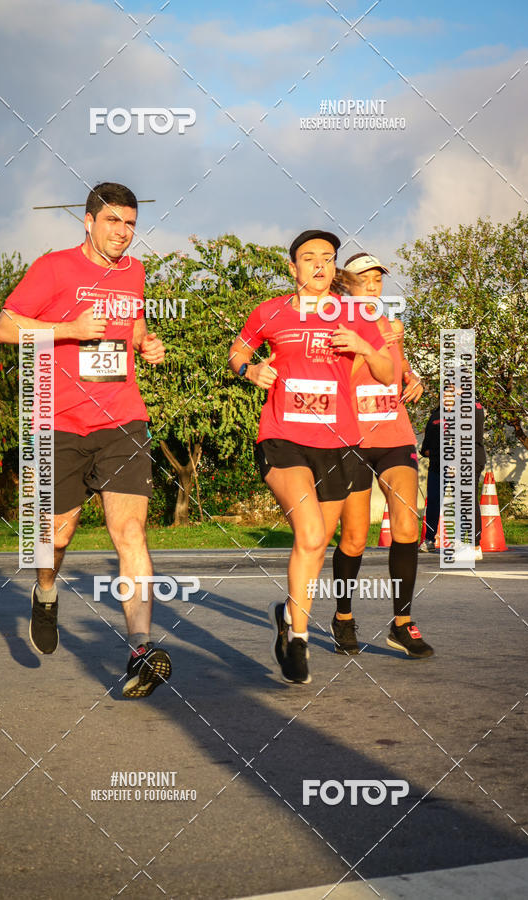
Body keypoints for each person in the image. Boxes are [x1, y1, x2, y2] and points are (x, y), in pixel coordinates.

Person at [0, 182, 171, 698]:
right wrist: (69, 329)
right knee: (57, 536)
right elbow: (5, 328)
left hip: (121, 420)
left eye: (131, 223)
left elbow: (131, 327)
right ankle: (45, 591)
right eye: (114, 221)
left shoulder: (134, 272)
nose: (123, 232)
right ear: (88, 221)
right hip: (59, 422)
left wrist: (147, 342)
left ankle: (140, 650)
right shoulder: (53, 267)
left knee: (131, 532)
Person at [229, 230, 393, 684]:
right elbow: (239, 351)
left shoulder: (355, 313)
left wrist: (363, 347)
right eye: (309, 258)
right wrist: (251, 369)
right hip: (283, 437)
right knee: (311, 532)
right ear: (293, 267)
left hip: (339, 442)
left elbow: (388, 373)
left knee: (318, 543)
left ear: (334, 266)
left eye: (327, 257)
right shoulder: (271, 311)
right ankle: (298, 638)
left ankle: (285, 616)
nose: (319, 265)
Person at [327, 253, 434, 659]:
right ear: (345, 285)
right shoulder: (333, 327)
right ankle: (343, 618)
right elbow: (341, 382)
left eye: (378, 280)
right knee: (354, 538)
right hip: (352, 439)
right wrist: (370, 347)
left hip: (394, 433)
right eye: (364, 279)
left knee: (407, 527)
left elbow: (396, 370)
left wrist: (413, 378)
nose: (373, 286)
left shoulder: (391, 326)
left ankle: (402, 624)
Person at [421, 387, 486, 559]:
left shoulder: (472, 408)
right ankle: (438, 539)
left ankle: (474, 545)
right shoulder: (436, 416)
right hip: (440, 466)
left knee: (467, 500)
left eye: (454, 393)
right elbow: (426, 447)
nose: (449, 398)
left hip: (468, 461)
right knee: (436, 500)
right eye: (445, 395)